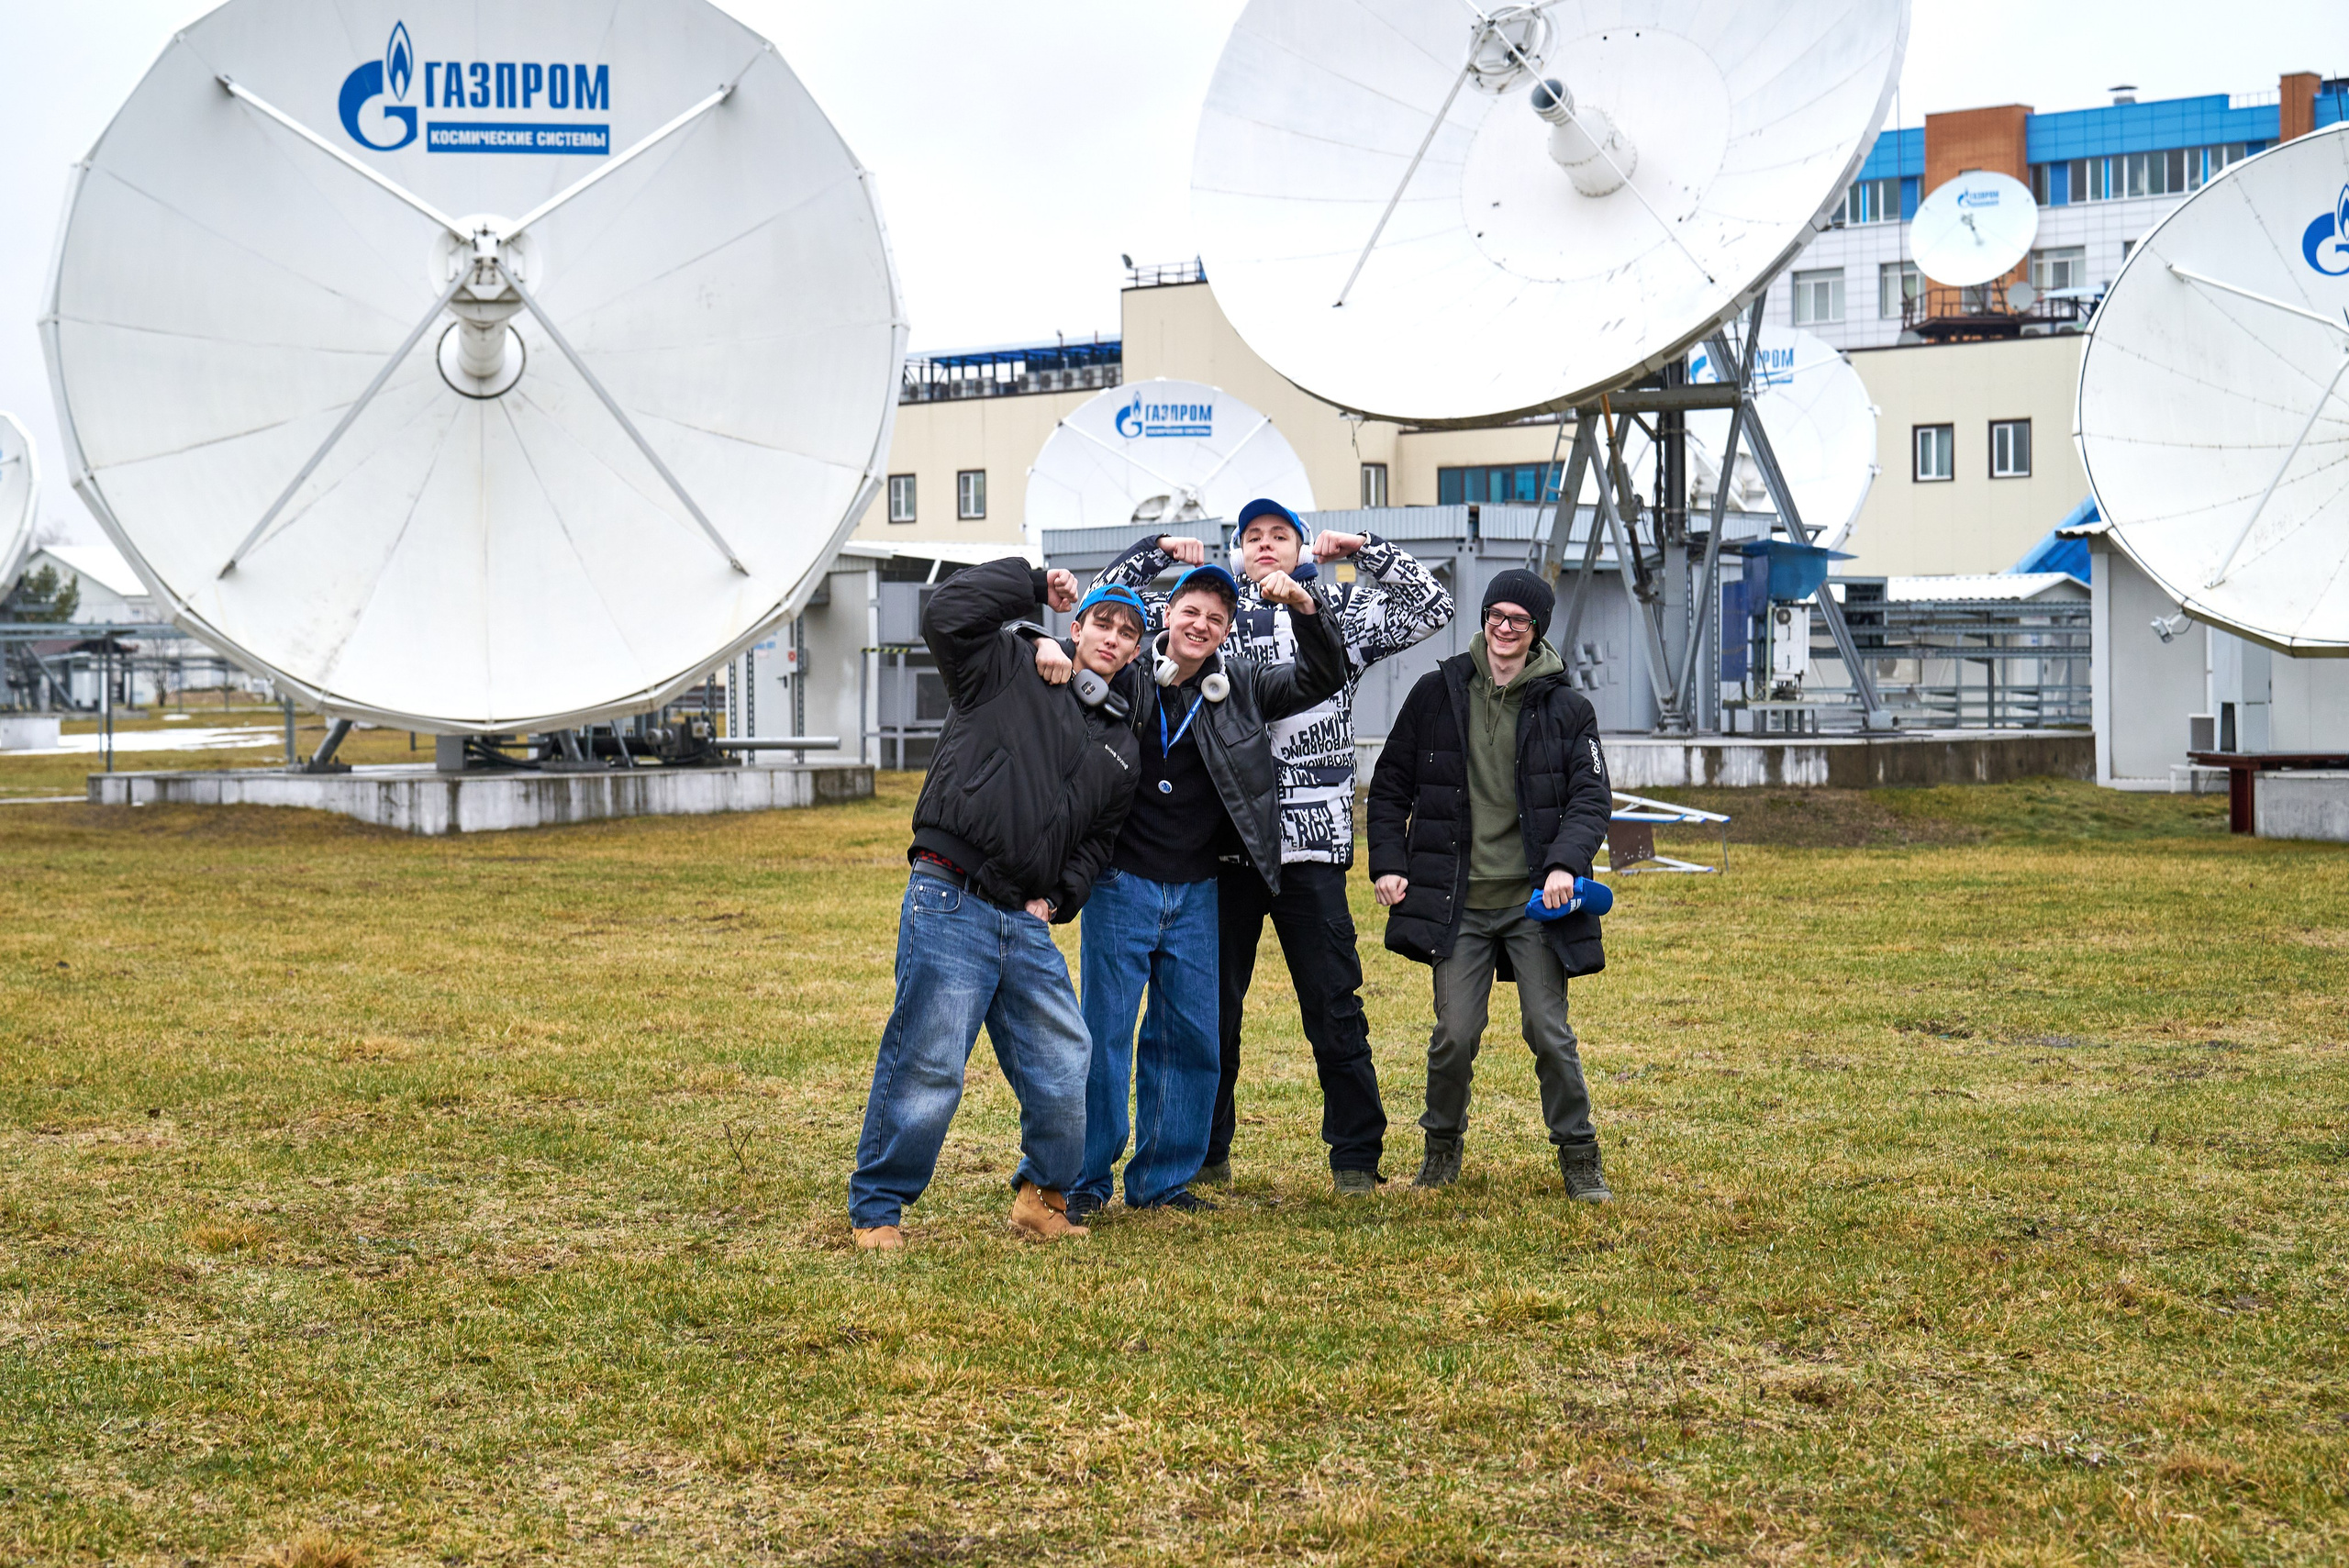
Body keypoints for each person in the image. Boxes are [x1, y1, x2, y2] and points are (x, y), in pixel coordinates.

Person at [1094, 503, 1453, 1193]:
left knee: (1334, 1006)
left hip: (1310, 845)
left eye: (1279, 536)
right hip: (1222, 844)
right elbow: (1103, 612)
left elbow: (1431, 605)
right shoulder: (1206, 611)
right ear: (1235, 552)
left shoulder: (1337, 606)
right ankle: (1205, 1154)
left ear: (1300, 548)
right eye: (1251, 538)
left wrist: (1364, 548)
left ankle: (1355, 1159)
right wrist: (1156, 549)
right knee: (1207, 1015)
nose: (1264, 546)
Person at [847, 562, 1152, 1251]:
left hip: (1024, 918)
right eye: (1102, 621)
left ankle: (1042, 1196)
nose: (1113, 636)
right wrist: (1029, 594)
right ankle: (878, 1209)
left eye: (1128, 633)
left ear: (1135, 652)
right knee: (930, 1059)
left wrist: (1061, 895)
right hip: (950, 893)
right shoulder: (1007, 667)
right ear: (1076, 628)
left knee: (1066, 1061)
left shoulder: (1121, 741)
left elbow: (1100, 840)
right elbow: (948, 613)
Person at [1037, 553, 1347, 1220]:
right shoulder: (1128, 677)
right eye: (1189, 612)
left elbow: (1324, 674)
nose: (1200, 625)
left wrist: (1304, 606)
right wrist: (1042, 638)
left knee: (1189, 1039)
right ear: (1167, 618)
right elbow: (1081, 638)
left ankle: (1162, 1180)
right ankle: (1086, 1181)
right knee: (1107, 1035)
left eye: (1215, 617)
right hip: (1122, 883)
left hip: (1199, 889)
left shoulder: (1243, 684)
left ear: (1228, 628)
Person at [1365, 569, 1617, 1202]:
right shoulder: (1436, 692)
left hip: (1535, 900)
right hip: (1459, 901)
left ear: (1537, 632)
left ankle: (1579, 1153)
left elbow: (1591, 797)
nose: (1505, 628)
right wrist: (1388, 862)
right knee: (1455, 1033)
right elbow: (1391, 783)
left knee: (1547, 1029)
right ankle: (1441, 1146)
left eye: (1519, 620)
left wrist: (1566, 863)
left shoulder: (1568, 708)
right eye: (1496, 615)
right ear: (1483, 619)